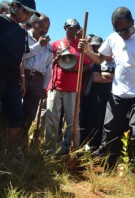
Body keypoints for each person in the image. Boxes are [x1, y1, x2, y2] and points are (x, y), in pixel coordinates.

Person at [78, 7, 135, 167]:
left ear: (132, 22)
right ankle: (108, 164)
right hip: (117, 93)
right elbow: (99, 59)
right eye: (117, 30)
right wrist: (87, 51)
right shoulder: (113, 38)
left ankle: (134, 168)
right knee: (110, 128)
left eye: (125, 29)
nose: (122, 33)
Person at [45, 18, 91, 155]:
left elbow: (88, 65)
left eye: (76, 28)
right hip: (55, 85)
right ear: (65, 28)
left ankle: (71, 149)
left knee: (72, 120)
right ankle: (50, 149)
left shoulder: (81, 46)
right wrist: (56, 59)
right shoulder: (56, 44)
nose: (74, 31)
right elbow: (47, 63)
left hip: (72, 87)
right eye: (71, 28)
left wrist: (76, 70)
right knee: (52, 118)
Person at [0, 0, 39, 157]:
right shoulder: (1, 21)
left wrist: (22, 80)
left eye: (30, 14)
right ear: (14, 7)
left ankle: (11, 151)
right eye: (26, 12)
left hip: (13, 80)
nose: (27, 17)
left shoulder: (23, 33)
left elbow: (20, 59)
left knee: (16, 115)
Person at [21, 13, 52, 148]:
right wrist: (39, 45)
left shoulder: (49, 46)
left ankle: (21, 144)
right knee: (14, 111)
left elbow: (48, 67)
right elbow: (21, 55)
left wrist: (45, 86)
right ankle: (7, 143)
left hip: (38, 81)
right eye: (42, 26)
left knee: (30, 114)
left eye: (47, 27)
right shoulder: (23, 36)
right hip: (21, 77)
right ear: (33, 24)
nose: (44, 30)